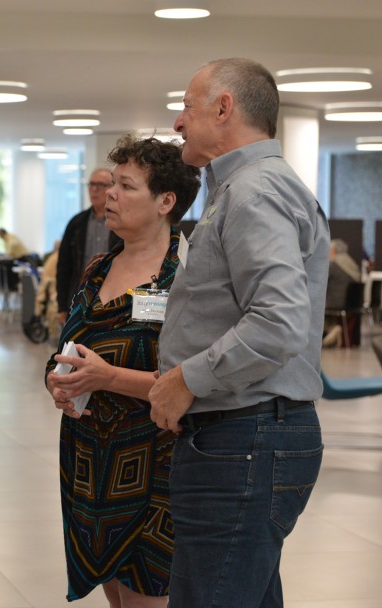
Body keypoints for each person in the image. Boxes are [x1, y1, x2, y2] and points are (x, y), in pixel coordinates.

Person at [148, 58, 328, 608]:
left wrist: (187, 378)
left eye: (186, 105)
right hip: (247, 437)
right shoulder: (244, 188)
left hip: (245, 439)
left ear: (223, 109)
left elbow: (278, 320)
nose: (178, 121)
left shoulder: (254, 192)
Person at [46, 136, 200, 607]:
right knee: (115, 596)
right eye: (111, 183)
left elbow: (195, 379)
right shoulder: (99, 267)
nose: (109, 194)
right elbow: (67, 347)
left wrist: (105, 378)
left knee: (147, 594)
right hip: (91, 461)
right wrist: (58, 378)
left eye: (125, 186)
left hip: (155, 462)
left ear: (165, 202)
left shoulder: (189, 274)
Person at [56, 167, 121, 324]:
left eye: (100, 185)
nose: (94, 189)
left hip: (111, 296)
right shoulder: (77, 223)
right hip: (79, 296)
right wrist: (62, 306)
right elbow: (64, 266)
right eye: (91, 184)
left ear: (112, 189)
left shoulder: (121, 222)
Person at [322, 238, 361, 347]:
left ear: (333, 251)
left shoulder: (334, 264)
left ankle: (331, 328)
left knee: (315, 304)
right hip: (352, 304)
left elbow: (320, 280)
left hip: (335, 303)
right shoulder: (351, 263)